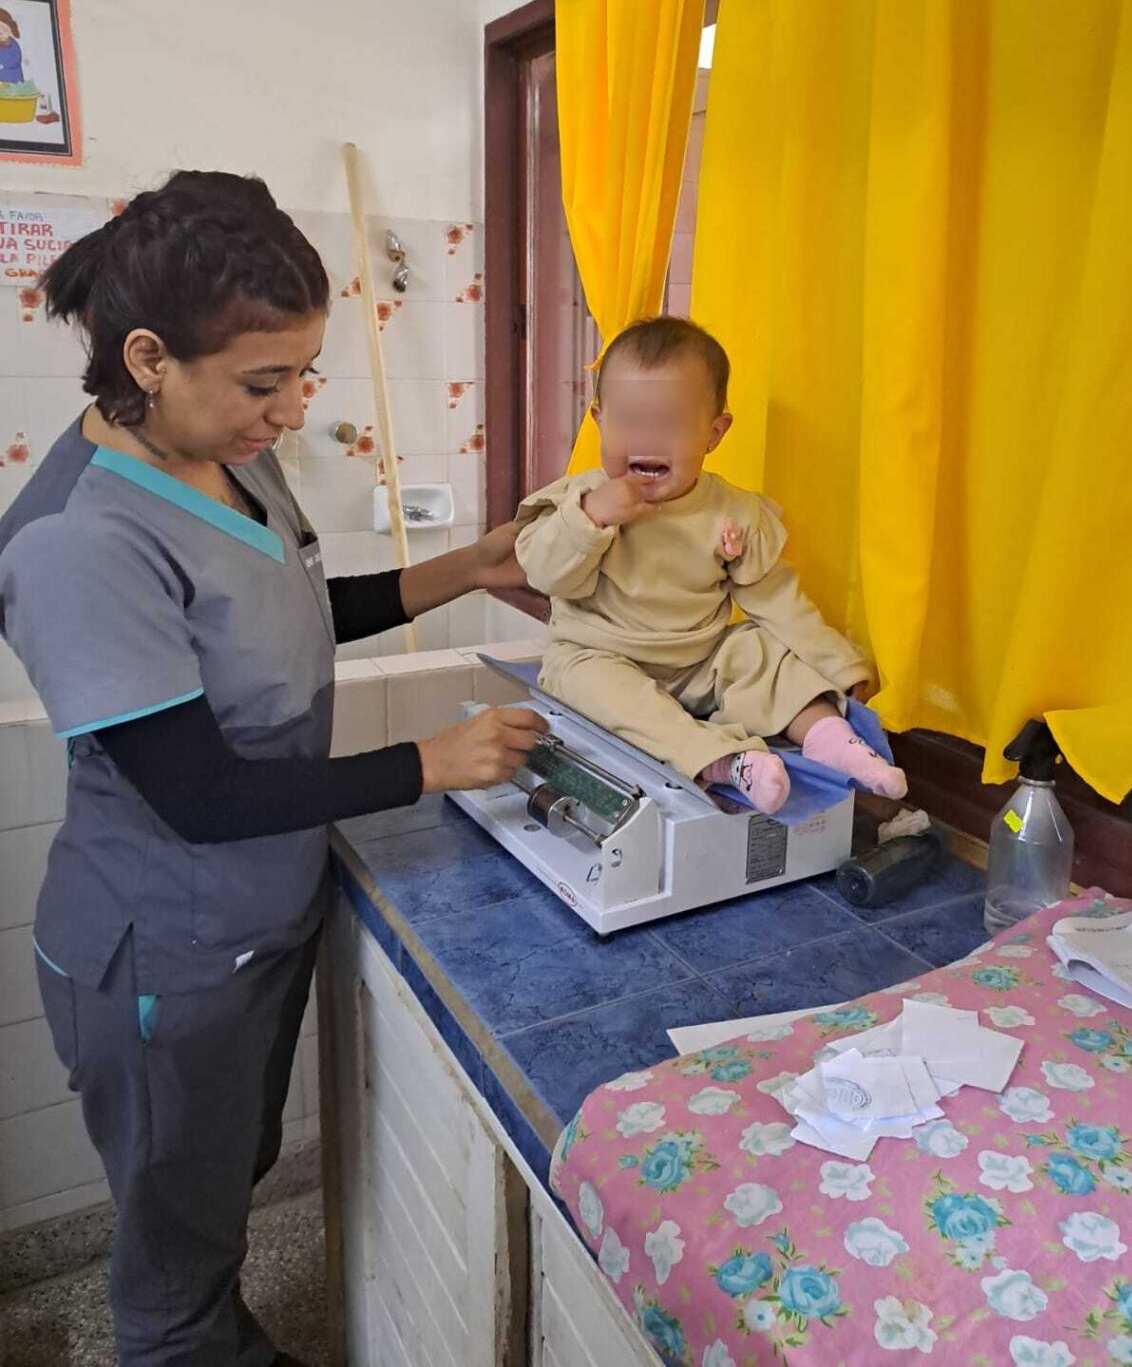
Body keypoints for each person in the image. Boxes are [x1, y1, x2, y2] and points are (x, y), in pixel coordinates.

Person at [0, 170, 545, 1367]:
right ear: (149, 357)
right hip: (162, 953)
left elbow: (293, 609)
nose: (291, 409)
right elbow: (198, 792)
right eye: (264, 381)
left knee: (216, 1184)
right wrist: (431, 761)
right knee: (170, 1242)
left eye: (305, 374)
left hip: (253, 921)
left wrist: (469, 567)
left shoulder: (229, 458)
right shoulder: (77, 541)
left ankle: (218, 1331)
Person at [514, 315, 907, 814]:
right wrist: (591, 520)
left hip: (699, 659)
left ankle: (832, 739)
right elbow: (544, 574)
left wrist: (838, 664)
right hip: (598, 653)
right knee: (595, 687)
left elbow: (775, 599)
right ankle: (726, 762)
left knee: (762, 651)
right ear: (599, 421)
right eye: (629, 421)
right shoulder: (583, 500)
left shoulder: (733, 511)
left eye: (671, 424)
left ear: (714, 433)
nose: (647, 439)